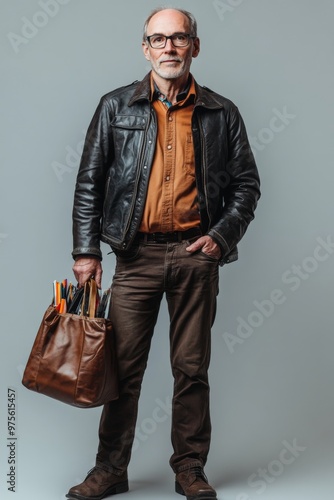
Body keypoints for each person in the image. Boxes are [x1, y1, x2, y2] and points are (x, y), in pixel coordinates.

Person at [67, 7, 260, 500]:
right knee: (122, 369)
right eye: (158, 39)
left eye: (178, 38)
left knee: (191, 368)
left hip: (197, 256)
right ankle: (110, 470)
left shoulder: (221, 111)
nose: (168, 48)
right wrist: (87, 251)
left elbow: (246, 185)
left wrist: (221, 236)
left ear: (195, 45)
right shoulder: (116, 107)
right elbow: (90, 181)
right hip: (135, 257)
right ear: (145, 47)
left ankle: (190, 468)